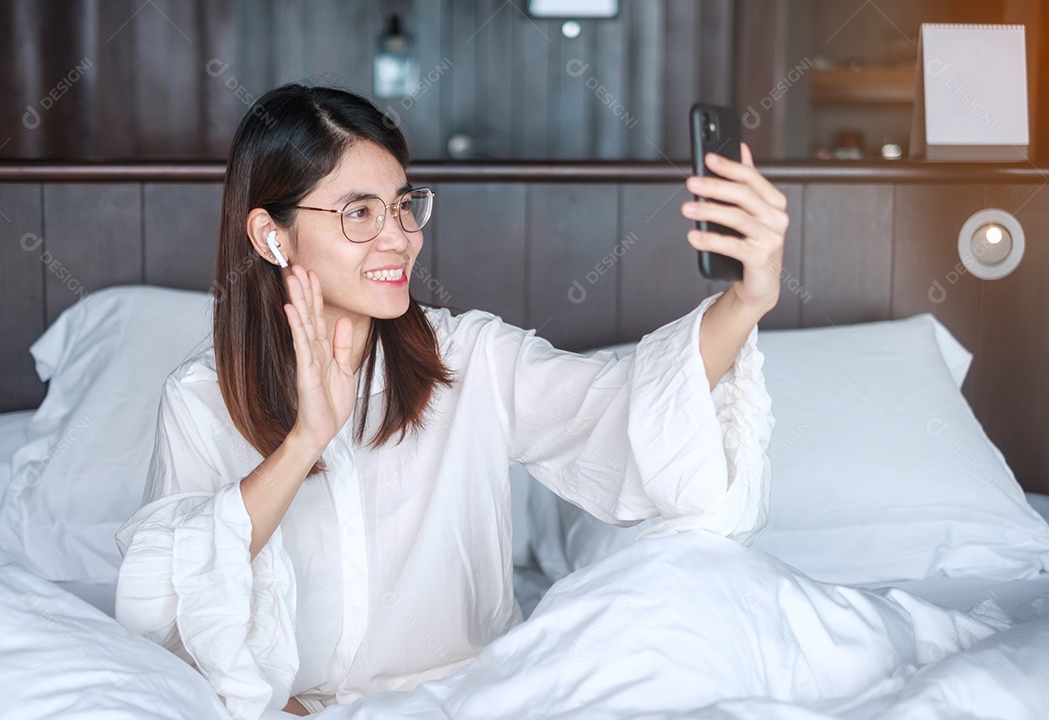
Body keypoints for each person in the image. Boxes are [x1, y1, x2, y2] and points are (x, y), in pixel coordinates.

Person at [114, 83, 787, 719]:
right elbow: (170, 605)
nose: (399, 237)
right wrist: (305, 441)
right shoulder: (200, 400)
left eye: (404, 205)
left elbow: (624, 413)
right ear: (271, 235)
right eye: (359, 213)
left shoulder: (468, 358)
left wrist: (747, 299)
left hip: (477, 701)